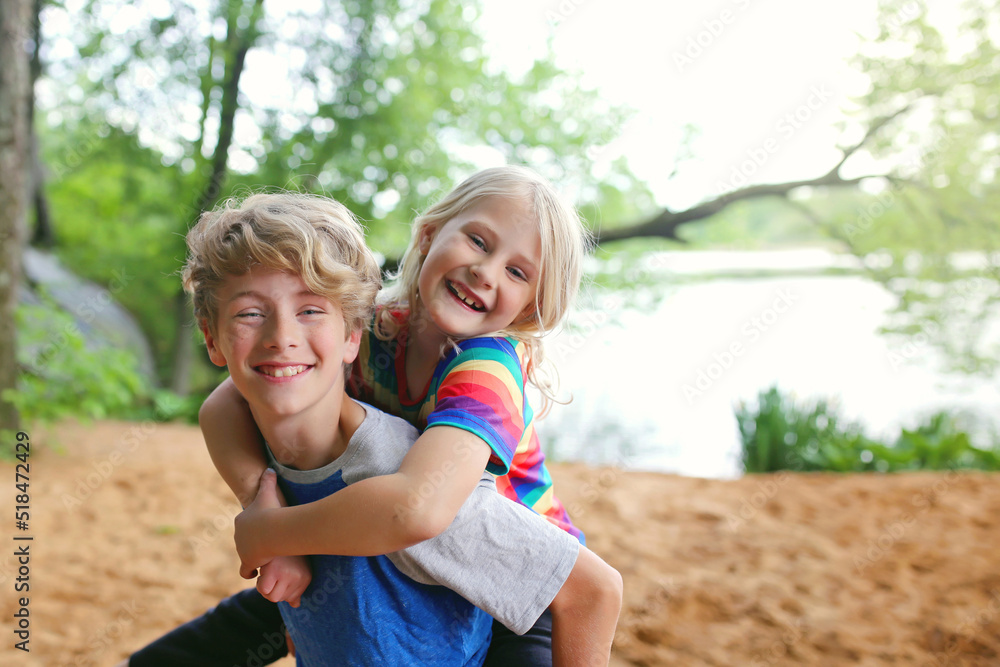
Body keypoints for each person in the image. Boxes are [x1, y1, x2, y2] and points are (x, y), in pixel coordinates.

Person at [124, 168, 622, 665]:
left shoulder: (487, 372)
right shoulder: (373, 326)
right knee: (285, 606)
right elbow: (222, 406)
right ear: (428, 235)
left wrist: (272, 533)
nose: (486, 272)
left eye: (517, 272)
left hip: (511, 579)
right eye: (477, 241)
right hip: (388, 540)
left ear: (530, 307)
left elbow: (418, 507)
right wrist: (264, 507)